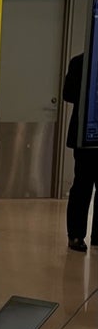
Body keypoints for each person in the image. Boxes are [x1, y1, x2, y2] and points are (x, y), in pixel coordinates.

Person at [63, 52, 98, 252]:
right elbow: (68, 93)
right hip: (85, 135)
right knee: (82, 186)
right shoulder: (80, 62)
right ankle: (75, 235)